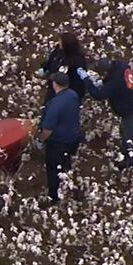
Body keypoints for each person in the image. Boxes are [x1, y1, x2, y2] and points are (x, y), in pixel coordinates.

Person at [77, 58, 133, 169]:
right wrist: (103, 82)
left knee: (131, 136)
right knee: (125, 130)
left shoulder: (115, 82)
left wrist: (87, 80)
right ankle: (129, 153)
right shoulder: (121, 65)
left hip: (132, 110)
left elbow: (98, 95)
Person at [37, 72, 81, 205]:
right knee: (65, 162)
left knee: (53, 169)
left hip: (58, 142)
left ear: (55, 84)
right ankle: (66, 179)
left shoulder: (55, 104)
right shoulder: (73, 95)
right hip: (72, 137)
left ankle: (54, 196)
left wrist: (40, 140)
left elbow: (48, 129)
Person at [37, 32, 88, 103]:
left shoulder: (77, 60)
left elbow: (77, 81)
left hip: (67, 92)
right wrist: (44, 68)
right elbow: (50, 60)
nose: (59, 43)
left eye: (61, 42)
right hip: (53, 87)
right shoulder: (57, 51)